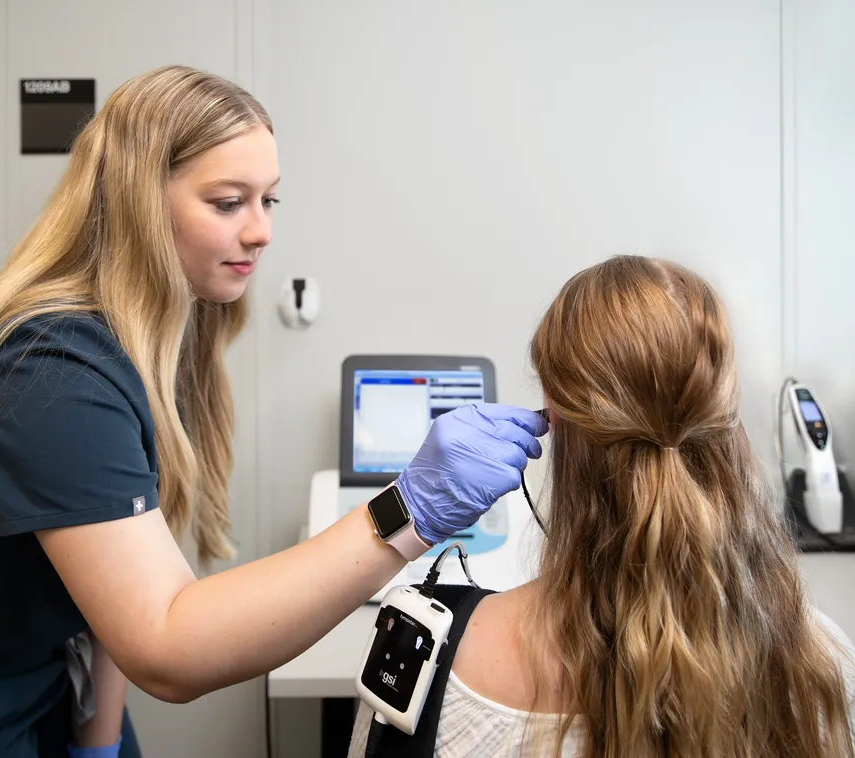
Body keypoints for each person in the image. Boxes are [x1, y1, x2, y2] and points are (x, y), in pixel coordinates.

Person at [0, 64, 549, 758]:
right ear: (139, 200)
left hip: (21, 680)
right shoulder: (50, 368)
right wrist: (405, 511)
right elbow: (167, 643)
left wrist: (99, 738)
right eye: (229, 201)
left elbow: (113, 575)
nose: (263, 231)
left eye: (269, 200)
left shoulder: (159, 340)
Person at [348, 255, 855, 758]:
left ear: (554, 412)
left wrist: (400, 515)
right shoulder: (820, 667)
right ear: (724, 406)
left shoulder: (425, 662)